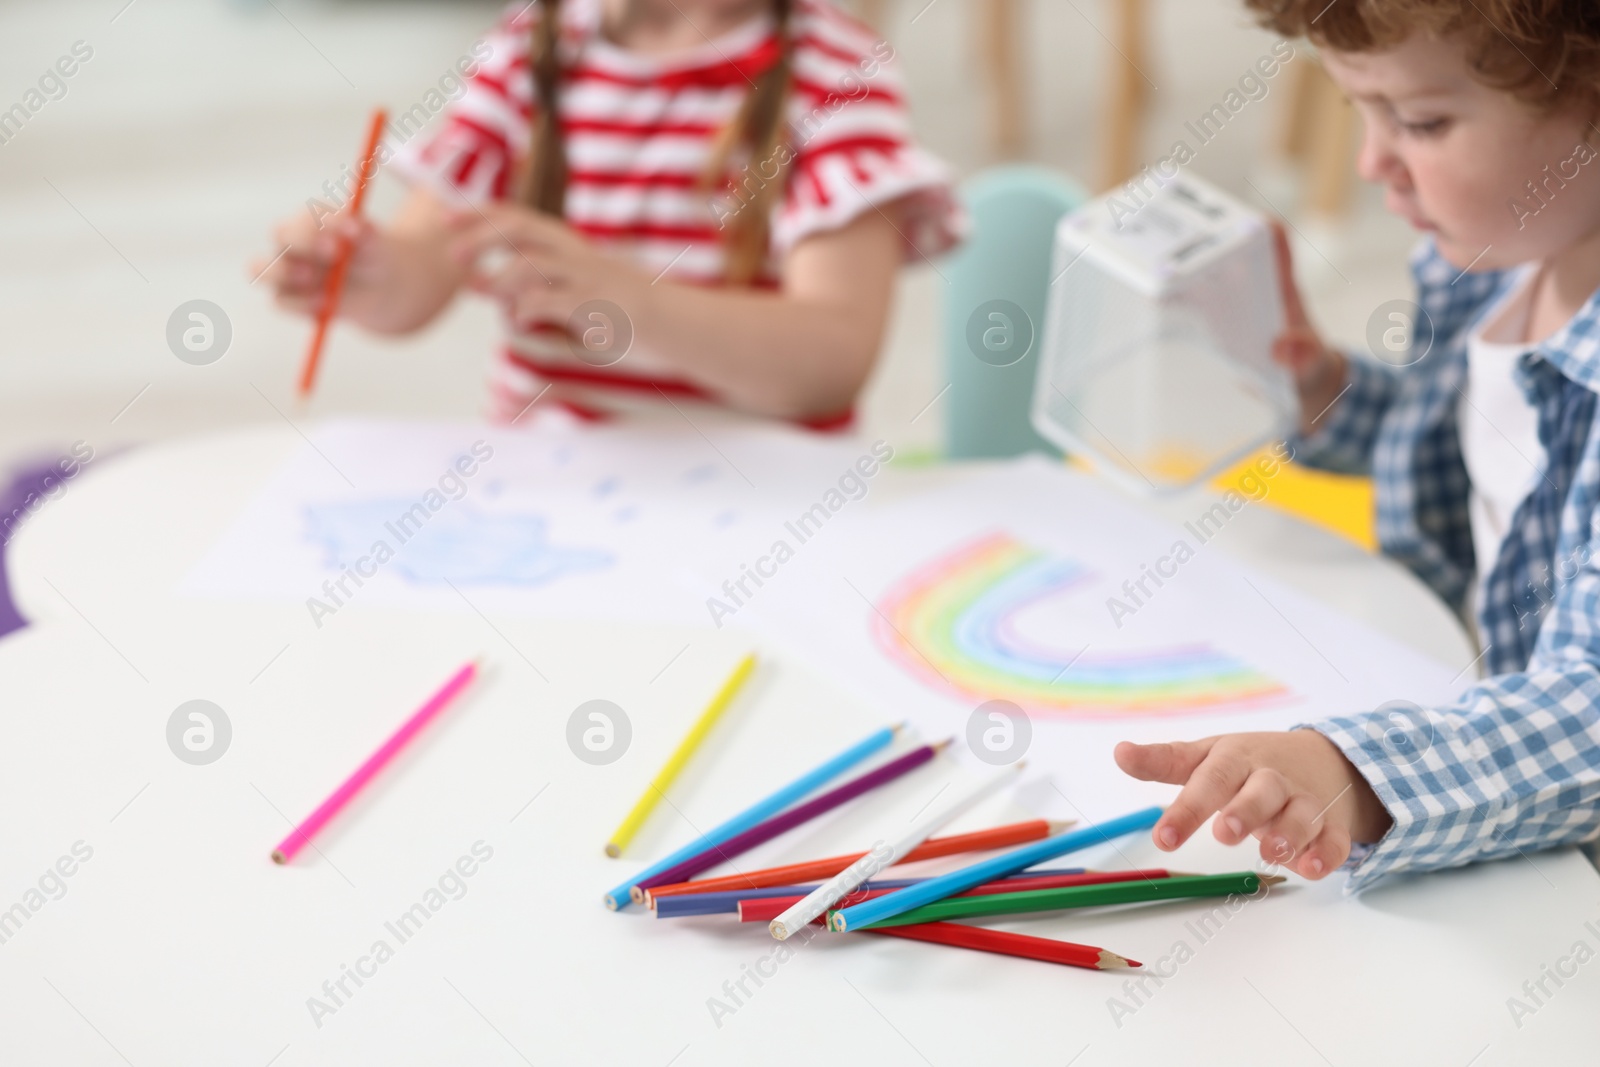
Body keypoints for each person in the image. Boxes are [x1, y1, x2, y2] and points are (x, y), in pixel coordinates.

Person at [1118, 0, 1600, 891]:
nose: (1373, 161)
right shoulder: (1490, 260)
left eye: (1420, 121)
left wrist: (1355, 772)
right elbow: (1457, 450)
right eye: (1359, 112)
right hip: (1469, 699)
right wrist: (1318, 388)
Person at [254, 0, 959, 426]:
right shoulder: (531, 48)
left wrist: (634, 303)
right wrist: (364, 274)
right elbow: (419, 278)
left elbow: (830, 363)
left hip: (764, 506)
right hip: (552, 495)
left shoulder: (838, 76)